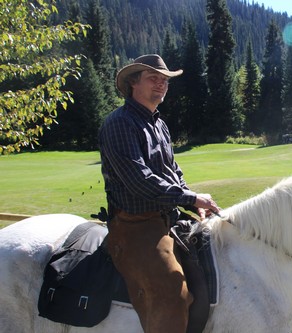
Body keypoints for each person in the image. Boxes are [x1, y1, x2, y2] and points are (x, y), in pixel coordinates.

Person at [98, 54, 220, 333]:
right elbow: (139, 180)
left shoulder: (159, 123)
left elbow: (172, 170)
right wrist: (191, 198)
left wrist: (190, 197)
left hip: (169, 218)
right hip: (135, 226)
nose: (161, 84)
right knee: (171, 293)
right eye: (153, 78)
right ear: (133, 83)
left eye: (164, 80)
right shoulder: (119, 123)